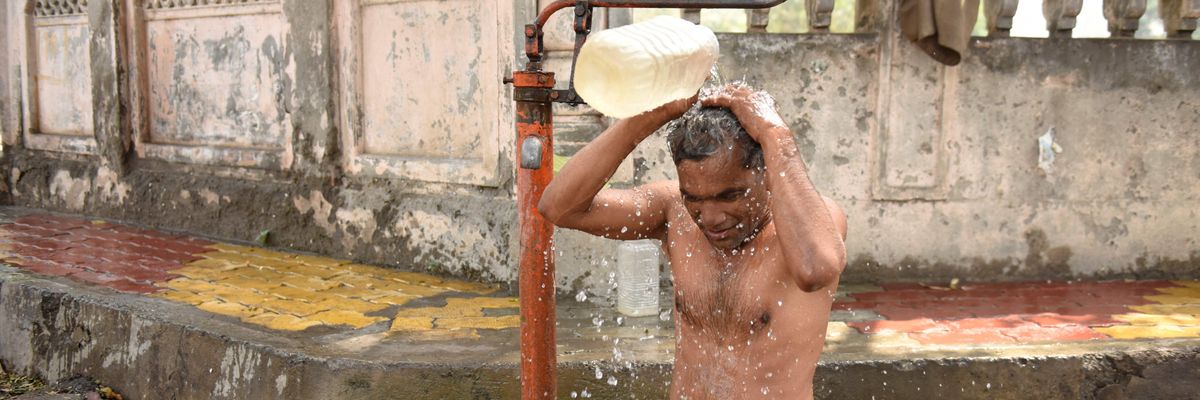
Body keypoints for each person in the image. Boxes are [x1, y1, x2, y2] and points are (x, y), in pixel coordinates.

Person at [538, 84, 848, 399]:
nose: (710, 217)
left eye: (730, 196)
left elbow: (815, 269)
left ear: (767, 173)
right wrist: (648, 116)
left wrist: (776, 136)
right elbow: (559, 208)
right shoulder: (672, 210)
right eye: (694, 198)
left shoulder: (812, 223)